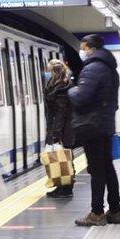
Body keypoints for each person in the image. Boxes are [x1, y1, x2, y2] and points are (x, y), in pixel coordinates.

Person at [69, 34, 120, 226]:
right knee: (108, 168)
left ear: (90, 48)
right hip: (105, 124)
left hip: (92, 125)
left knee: (97, 170)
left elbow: (81, 97)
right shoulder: (109, 68)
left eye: (83, 48)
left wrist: (70, 89)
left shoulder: (93, 68)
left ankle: (97, 212)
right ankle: (115, 211)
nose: (82, 52)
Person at [42, 59, 75, 199]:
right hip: (62, 128)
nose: (46, 74)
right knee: (62, 157)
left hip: (63, 129)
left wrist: (56, 134)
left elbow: (61, 113)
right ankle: (61, 185)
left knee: (64, 158)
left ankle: (66, 187)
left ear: (54, 73)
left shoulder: (61, 88)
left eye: (48, 71)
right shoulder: (60, 86)